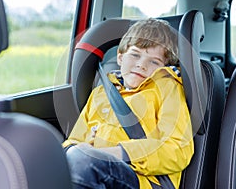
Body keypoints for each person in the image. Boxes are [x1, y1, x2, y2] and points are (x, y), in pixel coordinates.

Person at [62, 18, 194, 189]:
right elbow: (73, 141)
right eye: (135, 54)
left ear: (165, 66)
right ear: (120, 57)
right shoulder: (101, 93)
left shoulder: (168, 89)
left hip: (142, 180)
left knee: (83, 162)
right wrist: (76, 149)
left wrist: (118, 153)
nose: (141, 65)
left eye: (154, 61)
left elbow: (177, 149)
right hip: (92, 168)